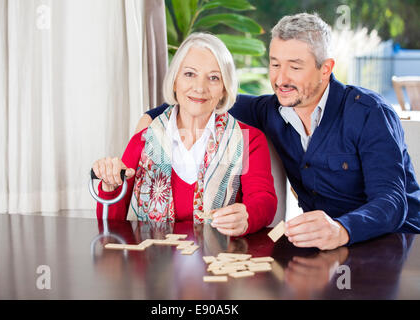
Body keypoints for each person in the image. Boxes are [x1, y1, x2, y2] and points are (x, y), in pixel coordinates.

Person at [138, 13, 420, 250]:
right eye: (274, 64)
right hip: (324, 249)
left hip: (398, 243)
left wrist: (341, 229)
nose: (280, 79)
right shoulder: (270, 110)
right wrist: (151, 117)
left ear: (325, 69)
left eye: (294, 67)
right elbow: (205, 98)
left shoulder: (369, 113)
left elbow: (392, 202)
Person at [92, 33, 277, 237]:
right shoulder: (142, 141)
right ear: (174, 81)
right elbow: (111, 226)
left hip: (219, 263)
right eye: (189, 74)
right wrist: (110, 186)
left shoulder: (249, 140)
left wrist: (247, 216)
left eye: (214, 77)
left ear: (224, 90)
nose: (200, 87)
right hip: (150, 266)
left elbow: (264, 201)